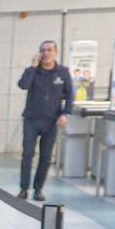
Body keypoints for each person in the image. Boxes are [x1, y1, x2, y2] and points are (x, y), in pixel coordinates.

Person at [15, 40, 72, 201]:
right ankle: (23, 188)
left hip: (51, 120)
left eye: (49, 50)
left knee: (46, 157)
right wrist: (33, 67)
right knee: (27, 154)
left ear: (56, 52)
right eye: (43, 50)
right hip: (32, 119)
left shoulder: (62, 72)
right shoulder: (32, 71)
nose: (46, 53)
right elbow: (23, 85)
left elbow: (69, 94)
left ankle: (38, 189)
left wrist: (65, 113)